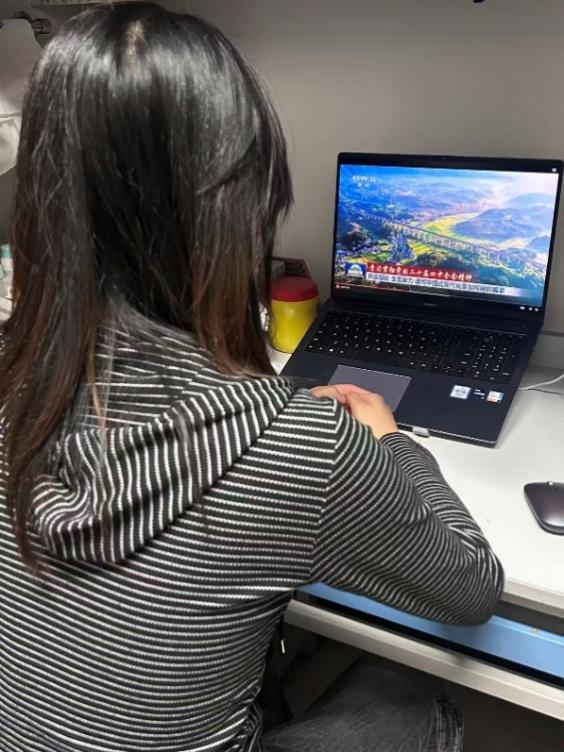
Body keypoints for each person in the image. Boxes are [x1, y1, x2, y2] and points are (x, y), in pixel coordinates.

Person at [0, 4, 503, 752]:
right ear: (237, 209)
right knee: (407, 693)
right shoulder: (298, 444)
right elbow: (472, 588)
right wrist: (393, 443)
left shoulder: (17, 379)